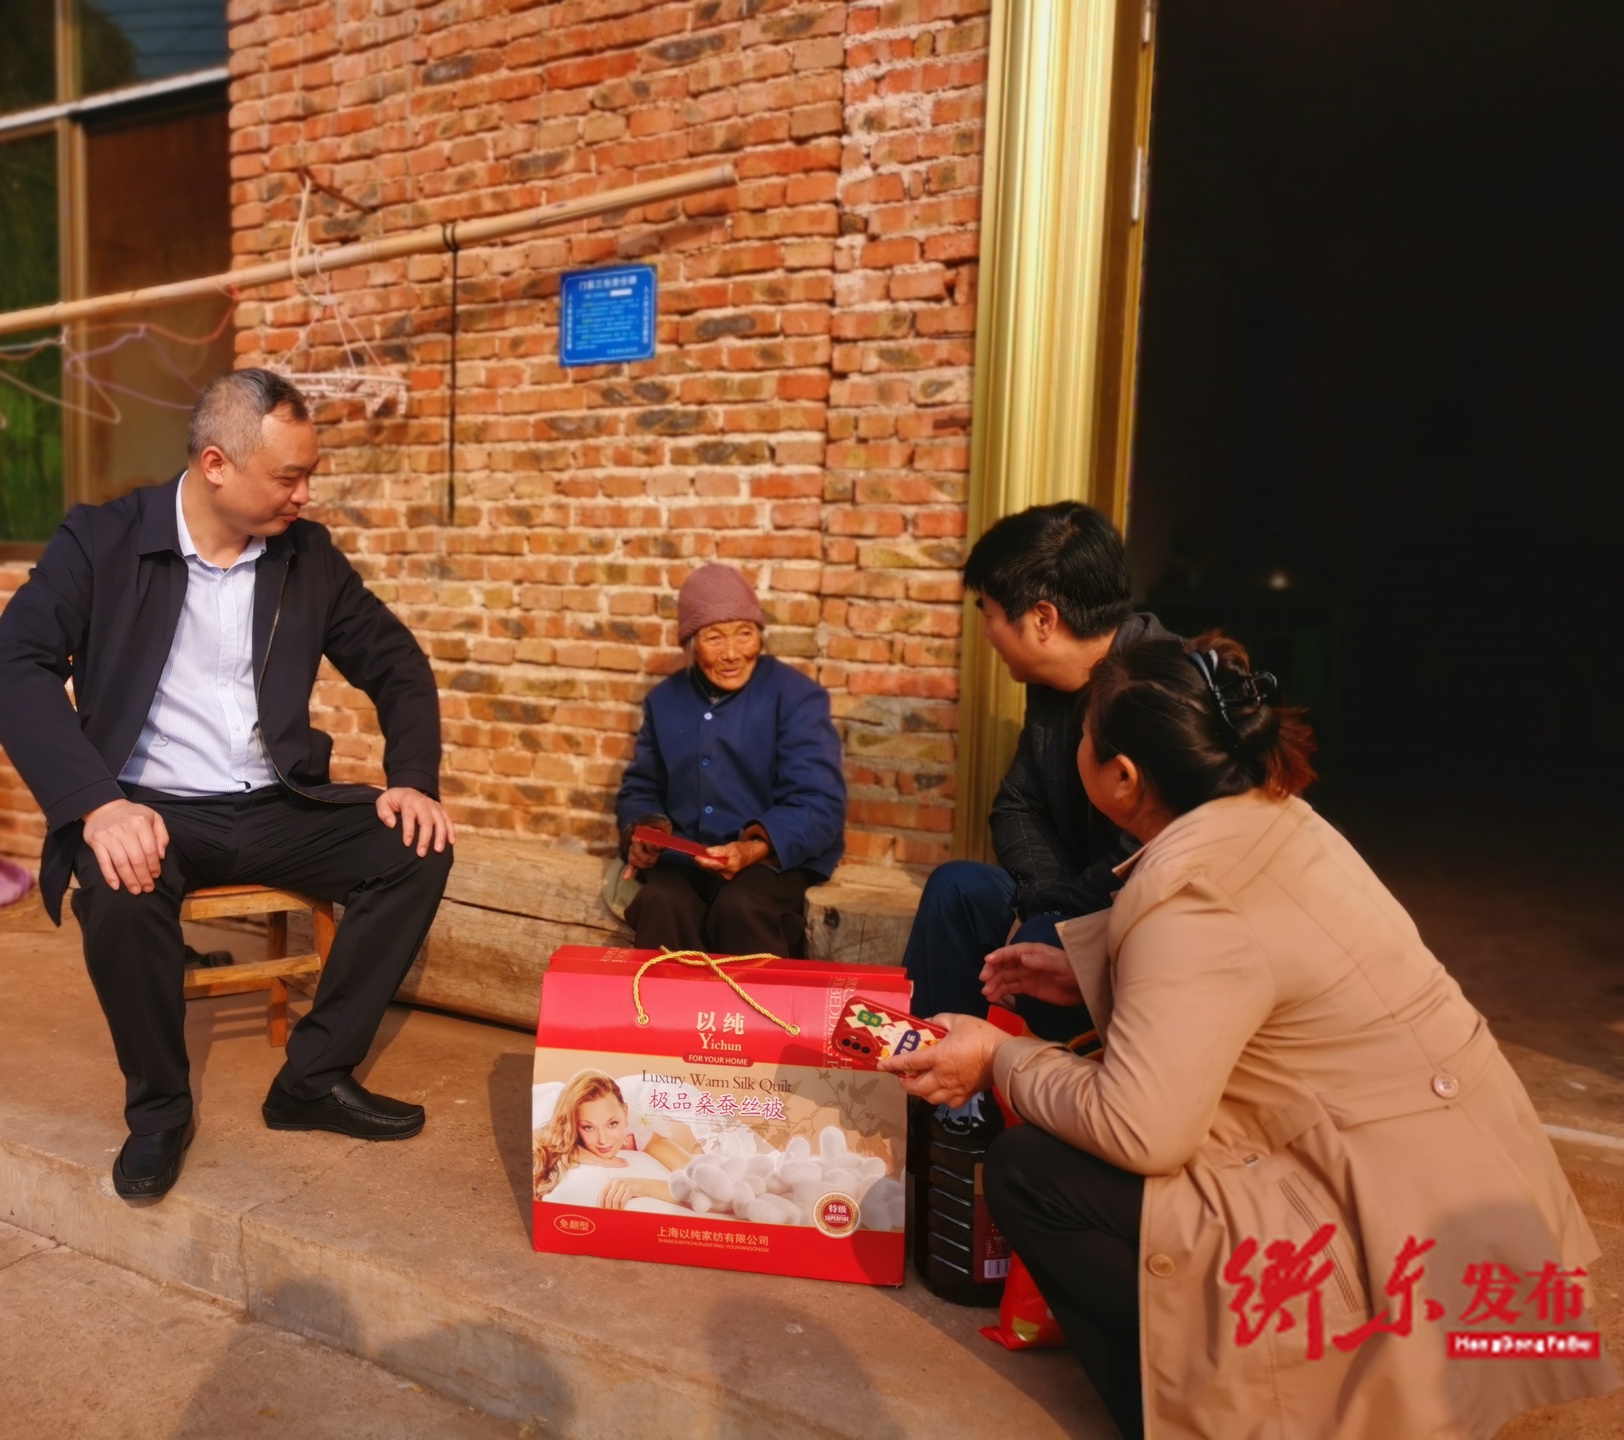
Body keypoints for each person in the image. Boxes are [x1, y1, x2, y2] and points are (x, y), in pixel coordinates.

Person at [881, 632, 1614, 1439]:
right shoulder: (1279, 817)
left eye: (1085, 737)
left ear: (1123, 778)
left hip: (1390, 1233)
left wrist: (999, 1056)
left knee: (1032, 1171)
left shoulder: (1186, 891)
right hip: (1460, 1194)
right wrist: (1086, 971)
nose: (1077, 749)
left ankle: (1209, 1413)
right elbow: (1251, 968)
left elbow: (1141, 1128)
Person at [0, 370, 456, 1202]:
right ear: (215, 465)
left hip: (278, 803)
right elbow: (12, 668)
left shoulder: (306, 555)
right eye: (289, 477)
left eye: (310, 475)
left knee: (416, 849)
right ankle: (160, 1112)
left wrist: (412, 779)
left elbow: (397, 665)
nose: (305, 495)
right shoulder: (101, 541)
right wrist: (97, 805)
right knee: (120, 888)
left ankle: (313, 1078)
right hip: (148, 807)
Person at [902, 501, 1172, 1040]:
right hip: (1067, 901)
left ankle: (1064, 1085)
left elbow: (1147, 847)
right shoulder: (1053, 686)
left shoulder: (1162, 692)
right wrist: (1044, 899)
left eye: (989, 614)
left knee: (1040, 944)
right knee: (957, 889)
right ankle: (931, 1070)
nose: (986, 632)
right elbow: (1017, 804)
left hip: (1147, 927)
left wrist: (1053, 914)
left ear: (1043, 619)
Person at [614, 564, 846, 957]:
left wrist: (753, 849)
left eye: (745, 633)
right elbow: (641, 787)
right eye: (714, 638)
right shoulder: (665, 701)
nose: (733, 653)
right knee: (661, 903)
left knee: (742, 908)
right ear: (690, 644)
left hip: (771, 863)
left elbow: (819, 802)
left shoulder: (795, 697)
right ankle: (670, 999)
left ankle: (752, 1001)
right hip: (686, 860)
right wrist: (644, 831)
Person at [531, 1072, 695, 1210]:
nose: (603, 1140)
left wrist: (640, 1186)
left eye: (612, 1124)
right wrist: (570, 1150)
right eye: (588, 1127)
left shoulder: (640, 1136)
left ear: (625, 1113)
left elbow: (701, 1187)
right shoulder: (565, 1134)